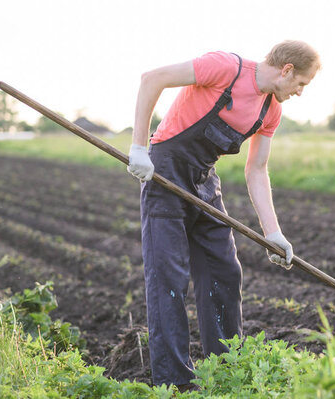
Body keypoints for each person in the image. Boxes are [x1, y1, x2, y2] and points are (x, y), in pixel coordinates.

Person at [126, 40, 320, 389]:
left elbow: (257, 170)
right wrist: (140, 147)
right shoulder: (225, 67)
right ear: (287, 70)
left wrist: (273, 233)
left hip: (203, 179)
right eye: (301, 84)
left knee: (224, 271)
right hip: (165, 170)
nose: (300, 92)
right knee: (168, 280)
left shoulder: (269, 110)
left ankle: (227, 368)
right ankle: (176, 384)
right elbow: (151, 78)